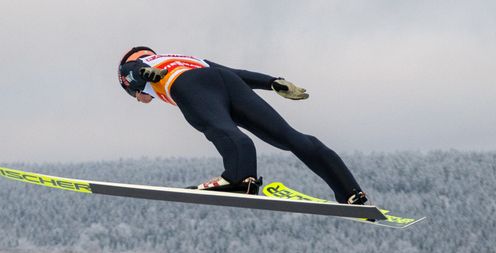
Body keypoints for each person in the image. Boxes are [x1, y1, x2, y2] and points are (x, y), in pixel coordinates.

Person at [117, 46, 368, 205]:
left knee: (219, 128)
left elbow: (131, 70)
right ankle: (350, 192)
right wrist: (272, 82)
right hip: (227, 81)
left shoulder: (140, 67)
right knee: (288, 136)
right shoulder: (185, 57)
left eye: (134, 95)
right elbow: (236, 73)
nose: (139, 99)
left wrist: (143, 74)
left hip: (188, 85)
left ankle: (240, 179)